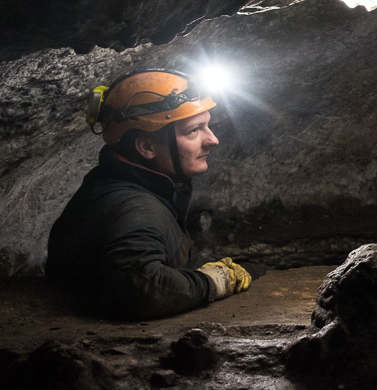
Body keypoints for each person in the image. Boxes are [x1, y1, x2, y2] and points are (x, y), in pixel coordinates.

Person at [46, 68, 252, 320]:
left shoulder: (115, 184)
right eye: (194, 130)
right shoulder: (137, 208)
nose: (213, 140)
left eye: (207, 126)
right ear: (146, 146)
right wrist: (212, 282)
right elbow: (142, 287)